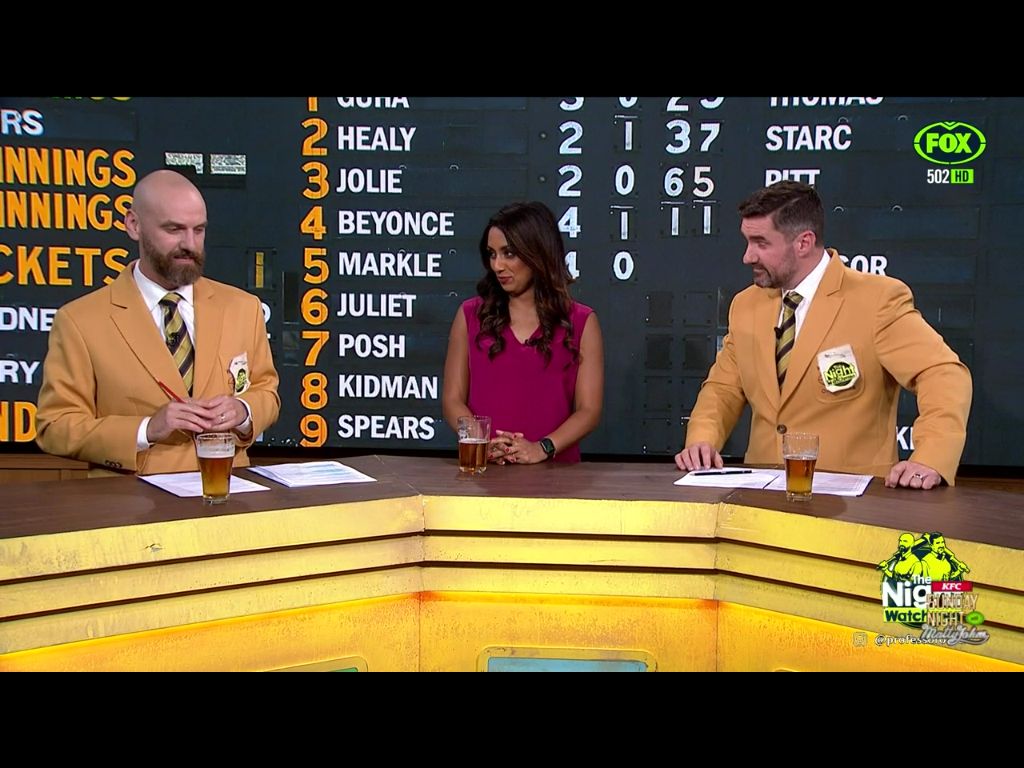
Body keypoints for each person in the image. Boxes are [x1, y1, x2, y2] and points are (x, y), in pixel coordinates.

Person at [674, 181, 972, 489]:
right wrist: (702, 440)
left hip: (854, 498)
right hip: (761, 494)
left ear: (803, 242)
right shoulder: (746, 305)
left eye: (761, 243)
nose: (748, 256)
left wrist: (930, 457)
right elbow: (723, 389)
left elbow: (943, 373)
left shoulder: (877, 301)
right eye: (747, 241)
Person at [36, 169, 280, 475]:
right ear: (134, 225)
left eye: (199, 230)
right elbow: (55, 426)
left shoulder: (242, 307)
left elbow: (266, 391)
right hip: (131, 498)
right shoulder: (80, 321)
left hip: (225, 489)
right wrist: (146, 429)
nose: (189, 243)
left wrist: (242, 411)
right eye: (174, 229)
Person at [442, 201, 603, 464]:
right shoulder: (470, 316)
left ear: (537, 252)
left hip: (558, 476)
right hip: (486, 472)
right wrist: (481, 441)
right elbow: (452, 399)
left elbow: (589, 411)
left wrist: (542, 448)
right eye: (492, 254)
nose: (497, 265)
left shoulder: (581, 322)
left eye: (508, 253)